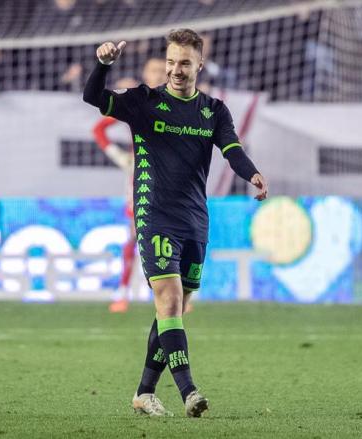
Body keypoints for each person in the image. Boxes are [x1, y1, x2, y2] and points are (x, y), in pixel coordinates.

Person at [83, 28, 268, 418]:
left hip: (195, 220)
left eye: (184, 62)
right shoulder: (144, 101)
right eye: (171, 62)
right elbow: (93, 98)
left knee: (175, 309)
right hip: (154, 215)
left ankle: (144, 392)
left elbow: (232, 149)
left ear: (200, 64)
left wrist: (250, 173)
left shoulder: (214, 110)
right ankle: (189, 390)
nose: (176, 70)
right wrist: (102, 66)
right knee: (168, 300)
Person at [92, 57, 166, 313]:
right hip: (141, 173)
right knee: (136, 234)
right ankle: (122, 291)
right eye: (152, 70)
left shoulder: (177, 102)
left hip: (171, 174)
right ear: (145, 74)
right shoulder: (135, 101)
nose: (158, 74)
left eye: (161, 70)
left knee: (175, 231)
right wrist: (120, 156)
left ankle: (177, 291)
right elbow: (99, 129)